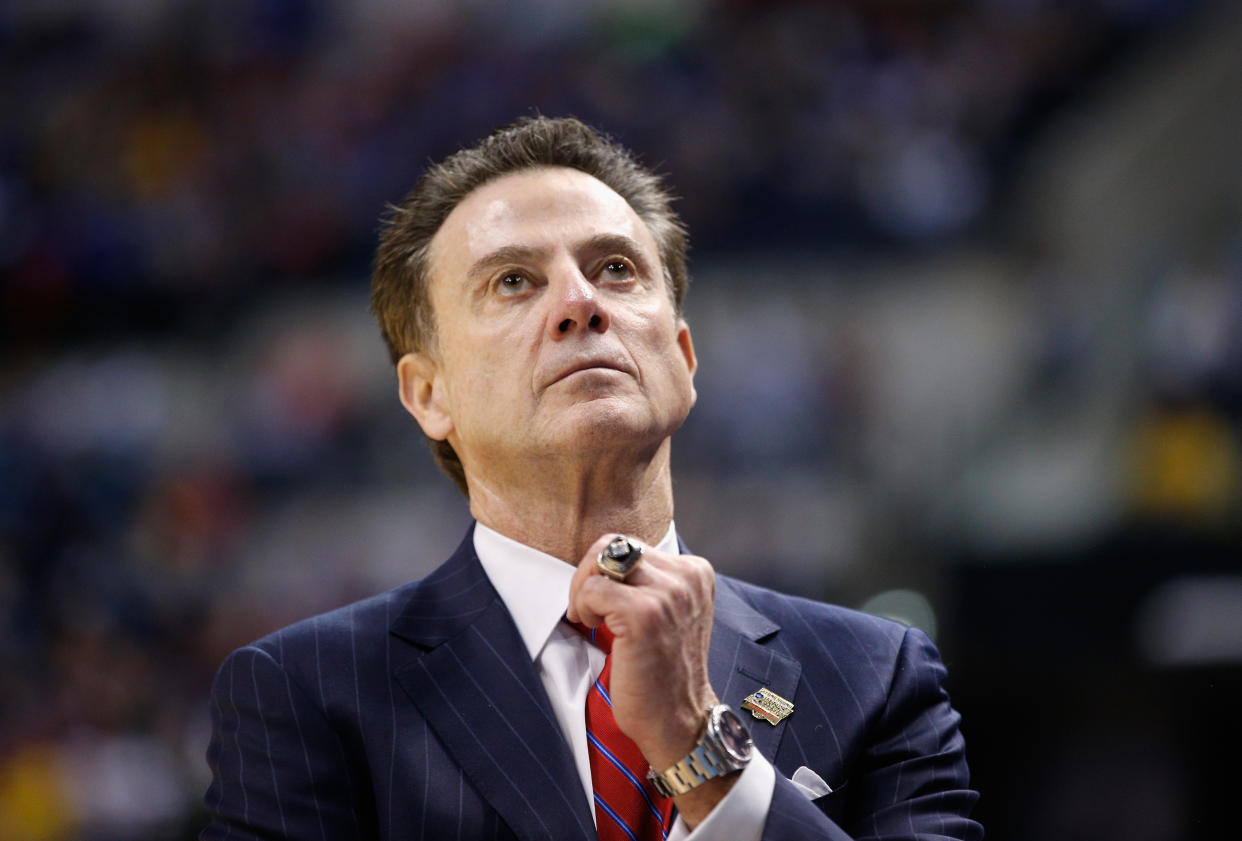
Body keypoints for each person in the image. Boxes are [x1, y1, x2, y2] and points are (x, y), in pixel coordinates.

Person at [202, 116, 982, 841]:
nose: (579, 303)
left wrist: (700, 749)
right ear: (428, 392)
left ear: (682, 354)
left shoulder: (876, 676)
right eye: (513, 281)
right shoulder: (307, 694)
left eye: (614, 269)